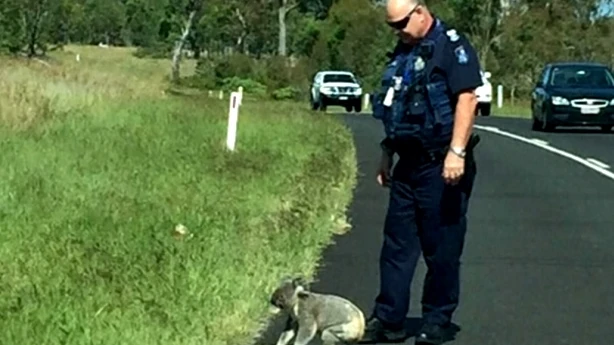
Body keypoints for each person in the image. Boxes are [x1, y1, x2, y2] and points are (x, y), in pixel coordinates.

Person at [361, 0, 483, 344]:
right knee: (397, 245)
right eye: (392, 26)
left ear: (420, 11)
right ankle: (389, 318)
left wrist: (456, 152)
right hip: (407, 164)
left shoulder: (451, 46)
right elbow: (396, 107)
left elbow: (467, 99)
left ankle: (437, 319)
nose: (397, 31)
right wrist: (387, 151)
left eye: (400, 23)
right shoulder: (402, 53)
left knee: (441, 245)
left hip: (442, 163)